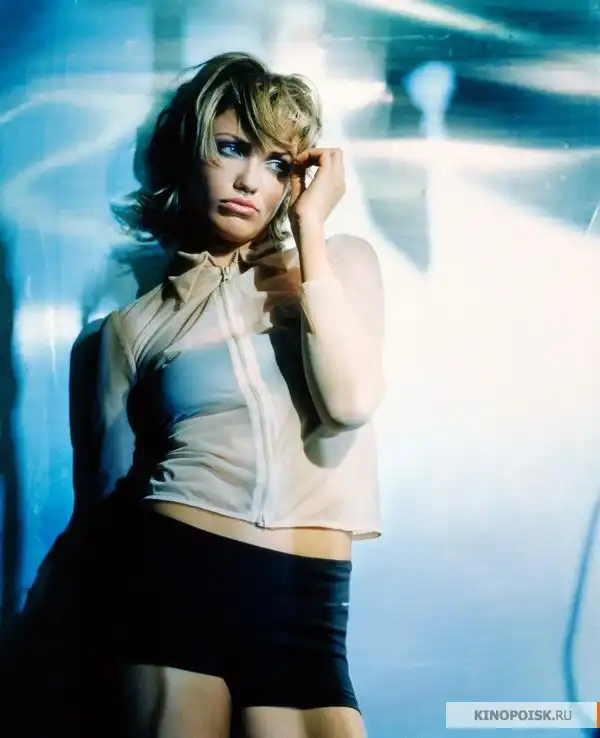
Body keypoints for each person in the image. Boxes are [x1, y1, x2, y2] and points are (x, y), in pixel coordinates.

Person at [84, 50, 385, 738]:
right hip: (171, 581)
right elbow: (103, 510)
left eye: (277, 163)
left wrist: (310, 231)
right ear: (190, 152)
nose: (251, 179)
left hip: (304, 600)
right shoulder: (132, 327)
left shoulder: (338, 265)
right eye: (230, 148)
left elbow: (349, 403)